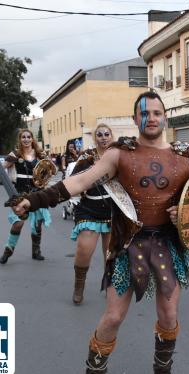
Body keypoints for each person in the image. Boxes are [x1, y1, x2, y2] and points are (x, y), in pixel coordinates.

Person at [13, 91, 189, 374]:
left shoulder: (184, 155)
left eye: (156, 112)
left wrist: (183, 211)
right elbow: (80, 183)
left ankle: (162, 373)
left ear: (164, 117)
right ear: (135, 118)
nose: (151, 118)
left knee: (168, 314)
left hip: (168, 243)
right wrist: (34, 199)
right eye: (144, 113)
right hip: (129, 243)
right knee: (112, 317)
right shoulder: (118, 154)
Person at [0, 129, 51, 264]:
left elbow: (49, 170)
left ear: (32, 139)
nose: (26, 139)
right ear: (20, 140)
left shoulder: (40, 154)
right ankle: (8, 250)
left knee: (37, 224)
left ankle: (36, 251)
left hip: (37, 193)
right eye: (23, 137)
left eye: (28, 137)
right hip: (19, 194)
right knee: (18, 224)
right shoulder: (15, 154)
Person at [69, 124, 114, 305]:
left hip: (113, 210)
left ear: (112, 136)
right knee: (84, 250)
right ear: (95, 138)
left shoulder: (120, 156)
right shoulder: (86, 159)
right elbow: (73, 182)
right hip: (89, 209)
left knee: (112, 254)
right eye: (100, 135)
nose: (103, 137)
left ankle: (110, 287)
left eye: (106, 134)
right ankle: (79, 286)